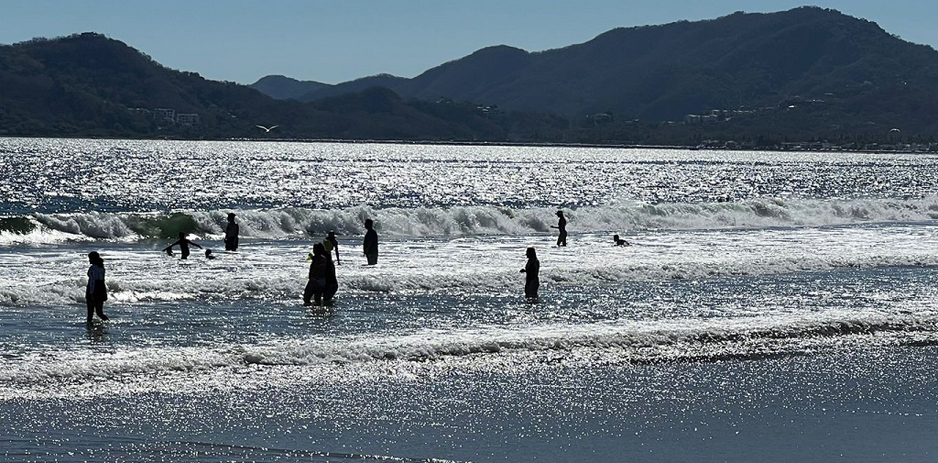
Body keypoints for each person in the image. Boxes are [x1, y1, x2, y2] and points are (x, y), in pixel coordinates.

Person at [86, 251, 110, 324]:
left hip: (93, 290)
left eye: (90, 259)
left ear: (93, 259)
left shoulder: (93, 268)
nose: (89, 260)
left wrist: (91, 293)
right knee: (99, 312)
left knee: (90, 313)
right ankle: (108, 322)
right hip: (101, 289)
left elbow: (92, 282)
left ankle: (89, 329)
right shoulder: (102, 268)